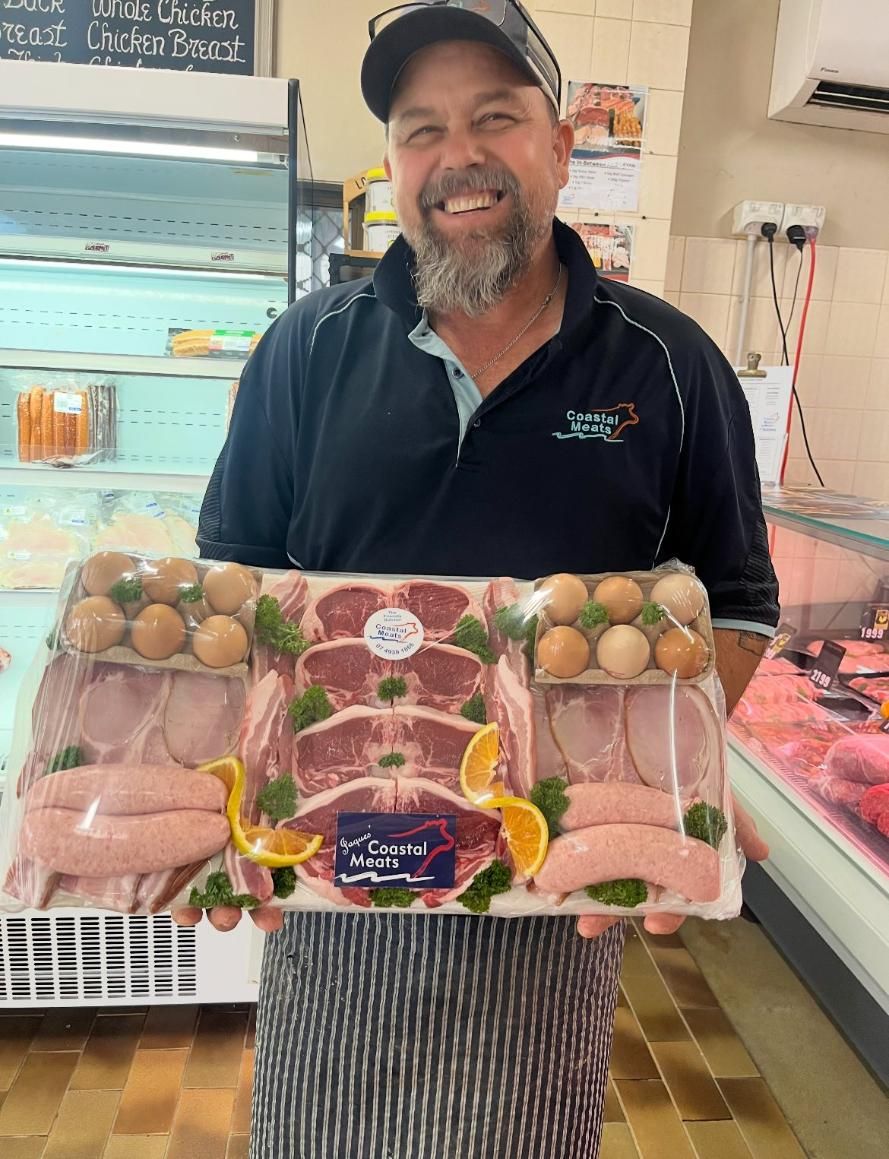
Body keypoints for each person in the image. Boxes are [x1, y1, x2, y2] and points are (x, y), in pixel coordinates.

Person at [181, 3, 778, 1156]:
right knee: (319, 1135)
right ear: (394, 165)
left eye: (495, 118)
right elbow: (233, 592)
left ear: (559, 147)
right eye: (421, 128)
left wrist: (663, 779)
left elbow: (739, 604)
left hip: (549, 883)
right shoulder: (301, 353)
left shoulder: (669, 363)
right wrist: (232, 805)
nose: (457, 156)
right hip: (337, 872)